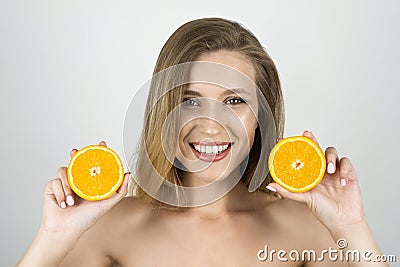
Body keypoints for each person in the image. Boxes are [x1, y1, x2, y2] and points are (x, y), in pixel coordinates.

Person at [18, 18, 387, 266]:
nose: (211, 125)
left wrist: (352, 227)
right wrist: (52, 238)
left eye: (235, 101)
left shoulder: (308, 229)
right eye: (189, 101)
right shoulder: (110, 227)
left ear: (261, 116)